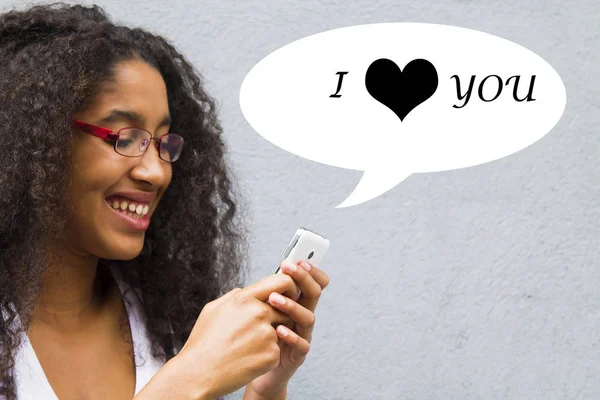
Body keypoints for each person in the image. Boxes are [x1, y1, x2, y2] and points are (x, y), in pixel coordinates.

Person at [0, 3, 330, 400]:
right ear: (38, 140)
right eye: (124, 137)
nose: (156, 172)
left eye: (163, 143)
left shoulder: (159, 320)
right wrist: (185, 382)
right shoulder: (187, 363)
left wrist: (265, 388)